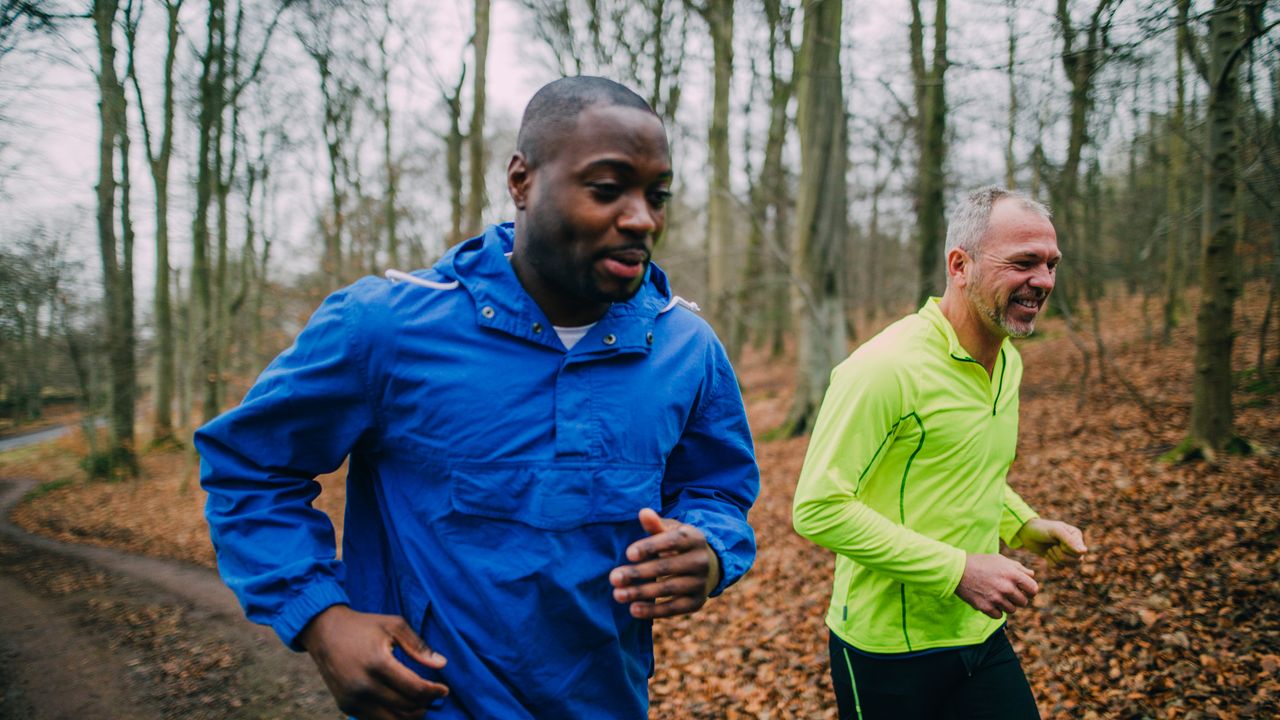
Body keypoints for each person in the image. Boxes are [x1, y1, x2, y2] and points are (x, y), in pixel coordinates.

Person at [195, 76, 759, 720]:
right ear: (521, 180)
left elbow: (717, 488)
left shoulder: (685, 346)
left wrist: (710, 550)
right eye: (607, 190)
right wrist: (322, 619)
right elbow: (249, 465)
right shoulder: (385, 328)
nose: (641, 219)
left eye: (657, 196)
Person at [792, 186, 1088, 719]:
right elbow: (818, 507)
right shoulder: (884, 368)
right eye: (1023, 262)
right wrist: (958, 571)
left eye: (1050, 264)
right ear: (960, 265)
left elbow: (964, 470)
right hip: (886, 650)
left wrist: (1024, 525)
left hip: (980, 635)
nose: (1043, 281)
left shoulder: (1008, 362)